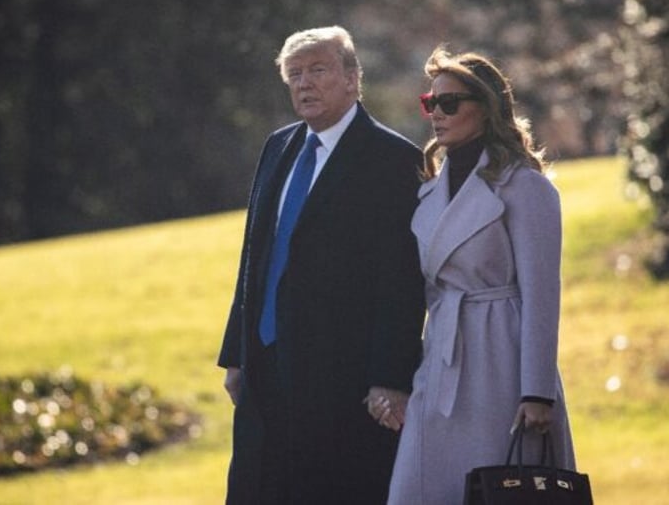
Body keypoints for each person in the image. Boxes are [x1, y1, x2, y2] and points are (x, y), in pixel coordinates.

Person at [217, 26, 426, 504]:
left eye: (318, 70)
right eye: (294, 74)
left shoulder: (394, 160)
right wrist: (236, 355)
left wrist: (391, 378)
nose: (304, 83)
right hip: (265, 371)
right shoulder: (278, 147)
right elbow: (255, 256)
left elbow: (402, 280)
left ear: (353, 79)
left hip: (343, 383)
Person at [379, 47, 577, 504]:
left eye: (450, 103)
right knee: (415, 489)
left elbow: (542, 298)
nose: (437, 114)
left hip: (502, 365)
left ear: (486, 109)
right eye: (431, 102)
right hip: (441, 363)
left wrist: (537, 393)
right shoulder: (429, 192)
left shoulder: (526, 188)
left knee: (500, 491)